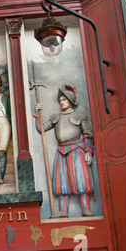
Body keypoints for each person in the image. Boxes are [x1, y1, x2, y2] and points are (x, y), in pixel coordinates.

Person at [35, 84, 95, 217]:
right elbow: (41, 130)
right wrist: (38, 115)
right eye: (60, 100)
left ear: (71, 101)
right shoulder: (55, 117)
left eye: (64, 100)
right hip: (61, 151)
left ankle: (85, 208)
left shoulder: (79, 116)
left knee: (81, 179)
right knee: (61, 182)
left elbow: (87, 135)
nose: (62, 102)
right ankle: (63, 211)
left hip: (76, 150)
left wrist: (88, 152)